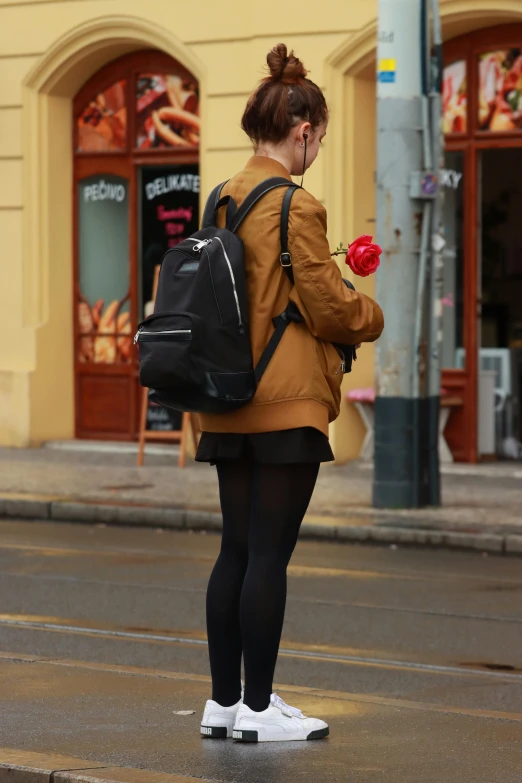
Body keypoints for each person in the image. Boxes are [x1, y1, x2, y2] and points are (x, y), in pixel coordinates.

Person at [197, 43, 384, 743]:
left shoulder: (221, 194)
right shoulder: (295, 205)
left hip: (224, 393)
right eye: (318, 140)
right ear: (302, 131)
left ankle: (223, 703)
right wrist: (371, 312)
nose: (316, 151)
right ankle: (259, 706)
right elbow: (328, 305)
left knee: (235, 550)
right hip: (284, 401)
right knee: (269, 554)